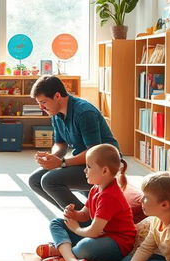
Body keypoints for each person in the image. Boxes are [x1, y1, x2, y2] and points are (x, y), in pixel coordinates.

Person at [36, 143, 136, 261]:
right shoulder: (95, 188)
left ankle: (65, 255)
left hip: (117, 243)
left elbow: (93, 232)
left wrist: (76, 229)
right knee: (56, 223)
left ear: (105, 171)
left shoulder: (110, 196)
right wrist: (73, 214)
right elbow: (84, 215)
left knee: (85, 246)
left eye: (88, 166)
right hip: (99, 235)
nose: (84, 171)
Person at [28, 75, 120, 211]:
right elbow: (60, 143)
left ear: (57, 96)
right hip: (85, 162)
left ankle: (84, 222)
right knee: (34, 180)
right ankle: (78, 216)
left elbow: (94, 153)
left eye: (44, 102)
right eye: (39, 103)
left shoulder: (84, 112)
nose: (41, 107)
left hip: (103, 164)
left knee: (49, 181)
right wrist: (52, 157)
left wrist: (62, 163)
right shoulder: (56, 114)